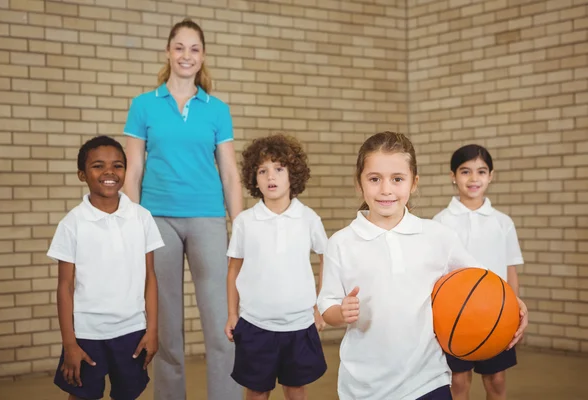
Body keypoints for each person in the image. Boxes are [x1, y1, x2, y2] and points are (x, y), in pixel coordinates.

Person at [317, 132, 529, 400]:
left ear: (413, 182)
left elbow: (483, 280)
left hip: (428, 379)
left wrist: (514, 304)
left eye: (397, 179)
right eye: (374, 179)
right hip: (365, 386)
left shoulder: (436, 235)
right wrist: (340, 311)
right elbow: (327, 307)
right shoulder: (341, 243)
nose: (386, 189)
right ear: (359, 183)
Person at [123, 17, 243, 400]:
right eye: (180, 47)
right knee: (166, 327)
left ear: (202, 55)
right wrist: (127, 224)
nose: (186, 56)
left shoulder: (216, 109)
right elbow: (134, 170)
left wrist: (239, 227)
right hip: (157, 220)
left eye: (194, 49)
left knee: (222, 323)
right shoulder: (143, 106)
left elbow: (229, 173)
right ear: (168, 52)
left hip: (208, 219)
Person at [48, 135, 164, 400]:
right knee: (82, 394)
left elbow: (150, 278)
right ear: (82, 174)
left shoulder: (141, 218)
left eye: (118, 165)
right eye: (98, 165)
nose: (109, 172)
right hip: (87, 333)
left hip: (132, 331)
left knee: (128, 394)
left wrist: (152, 330)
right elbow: (65, 287)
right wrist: (70, 344)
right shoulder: (72, 224)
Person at [225, 134, 328, 400]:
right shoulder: (245, 222)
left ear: (292, 175)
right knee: (258, 391)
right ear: (254, 178)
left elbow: (325, 258)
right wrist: (232, 314)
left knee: (295, 390)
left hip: (299, 324)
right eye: (263, 171)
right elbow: (233, 269)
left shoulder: (308, 218)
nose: (271, 177)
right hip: (255, 323)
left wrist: (319, 306)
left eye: (279, 169)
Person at [433, 144, 524, 400]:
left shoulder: (502, 222)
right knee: (458, 382)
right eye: (465, 171)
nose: (474, 179)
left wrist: (515, 310)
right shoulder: (440, 222)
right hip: (455, 317)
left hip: (497, 314)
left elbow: (510, 270)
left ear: (491, 176)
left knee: (496, 381)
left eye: (481, 171)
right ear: (453, 175)